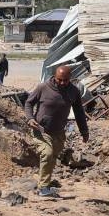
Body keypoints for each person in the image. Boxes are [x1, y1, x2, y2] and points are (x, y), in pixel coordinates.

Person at [24, 65, 89, 197]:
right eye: (60, 80)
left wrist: (84, 131)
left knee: (52, 157)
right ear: (55, 76)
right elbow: (29, 103)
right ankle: (43, 188)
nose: (62, 83)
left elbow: (79, 113)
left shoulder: (73, 91)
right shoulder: (43, 88)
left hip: (59, 132)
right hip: (41, 130)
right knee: (47, 154)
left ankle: (44, 181)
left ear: (70, 78)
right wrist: (30, 118)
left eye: (65, 80)